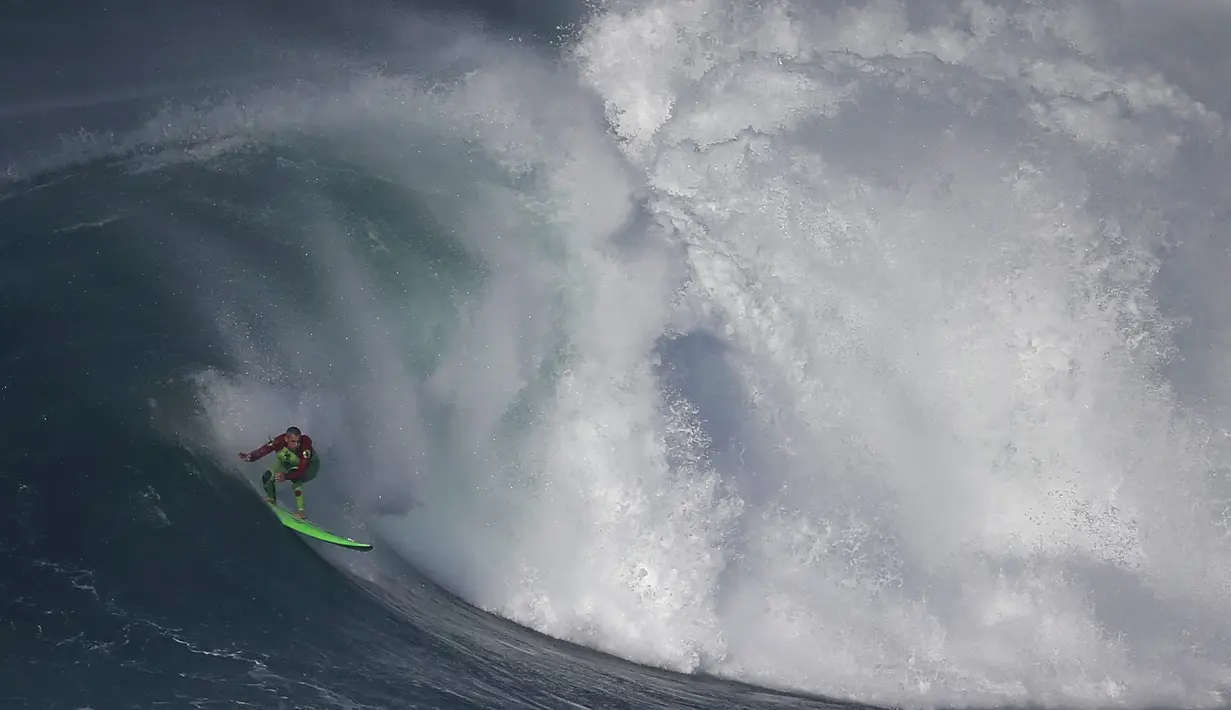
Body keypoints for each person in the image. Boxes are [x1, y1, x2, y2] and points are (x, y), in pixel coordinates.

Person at [239, 426, 320, 519]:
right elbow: (264, 450)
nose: (297, 444)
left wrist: (286, 476)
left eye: (298, 441)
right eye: (293, 441)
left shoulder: (305, 445)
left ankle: (301, 512)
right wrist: (250, 457)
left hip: (309, 468)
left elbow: (301, 471)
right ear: (286, 439)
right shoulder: (278, 441)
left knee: (295, 478)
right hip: (287, 463)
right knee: (267, 476)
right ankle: (271, 498)